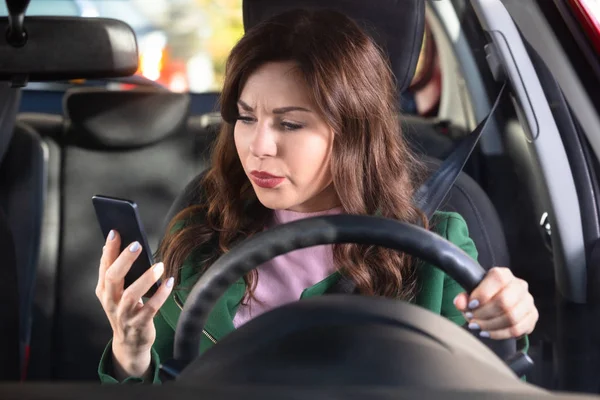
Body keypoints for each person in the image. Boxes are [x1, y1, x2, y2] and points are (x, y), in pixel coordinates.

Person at [95, 9, 539, 384]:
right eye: (247, 118)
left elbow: (487, 384)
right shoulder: (200, 233)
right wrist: (130, 354)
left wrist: (503, 323)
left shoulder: (435, 246)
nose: (258, 146)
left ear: (352, 134)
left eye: (290, 124)